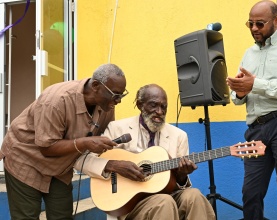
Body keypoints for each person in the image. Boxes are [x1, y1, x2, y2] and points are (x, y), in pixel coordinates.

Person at [0, 63, 129, 220]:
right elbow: (46, 147)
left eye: (121, 95)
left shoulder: (107, 104)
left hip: (60, 168)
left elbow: (103, 137)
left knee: (62, 216)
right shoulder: (56, 100)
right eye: (115, 95)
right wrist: (85, 143)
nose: (118, 101)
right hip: (25, 159)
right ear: (96, 85)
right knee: (25, 217)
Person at [75, 84, 216, 220]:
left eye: (163, 107)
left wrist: (181, 176)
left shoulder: (179, 136)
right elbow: (82, 160)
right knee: (163, 202)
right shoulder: (117, 128)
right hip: (132, 205)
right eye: (153, 105)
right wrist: (113, 165)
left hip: (170, 197)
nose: (159, 112)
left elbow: (179, 185)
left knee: (195, 196)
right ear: (140, 105)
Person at [226, 1, 277, 220]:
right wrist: (240, 91)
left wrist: (256, 85)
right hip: (256, 129)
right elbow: (237, 99)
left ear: (276, 21)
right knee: (250, 193)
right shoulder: (249, 54)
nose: (254, 29)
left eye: (260, 24)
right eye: (250, 24)